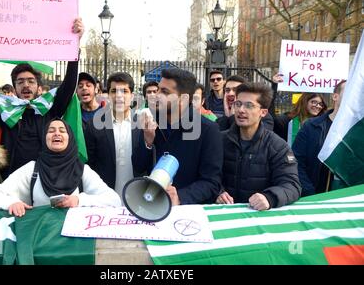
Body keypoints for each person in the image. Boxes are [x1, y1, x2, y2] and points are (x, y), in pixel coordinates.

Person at [0, 17, 84, 178]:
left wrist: (75, 45)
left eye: (31, 81)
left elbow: (70, 84)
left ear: (38, 87)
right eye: (20, 82)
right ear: (14, 87)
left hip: (47, 179)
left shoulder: (52, 109)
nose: (26, 85)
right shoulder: (4, 110)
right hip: (12, 181)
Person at [0, 118, 120, 216]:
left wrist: (79, 200)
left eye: (62, 130)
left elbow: (114, 200)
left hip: (74, 243)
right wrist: (12, 203)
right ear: (44, 138)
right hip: (41, 242)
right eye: (51, 130)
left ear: (69, 138)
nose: (57, 133)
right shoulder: (32, 169)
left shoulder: (82, 170)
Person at [133, 68, 223, 205]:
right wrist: (147, 142)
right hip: (152, 204)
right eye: (158, 90)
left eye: (165, 92)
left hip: (189, 213)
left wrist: (180, 197)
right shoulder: (151, 123)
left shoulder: (209, 130)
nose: (157, 95)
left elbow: (211, 183)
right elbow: (138, 167)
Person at [216, 83, 301, 210]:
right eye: (238, 104)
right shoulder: (219, 140)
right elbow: (206, 176)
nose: (241, 110)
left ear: (263, 112)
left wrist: (270, 198)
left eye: (249, 105)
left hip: (259, 215)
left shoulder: (278, 146)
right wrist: (217, 192)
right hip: (221, 213)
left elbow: (291, 185)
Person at [84, 72, 142, 198]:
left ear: (132, 96)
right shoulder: (93, 125)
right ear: (108, 95)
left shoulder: (143, 125)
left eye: (124, 91)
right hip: (105, 198)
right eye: (114, 91)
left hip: (137, 198)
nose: (119, 96)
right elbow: (89, 165)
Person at [292, 80, 347, 196]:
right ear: (335, 96)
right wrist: (309, 192)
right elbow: (296, 161)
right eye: (349, 91)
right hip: (316, 196)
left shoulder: (359, 131)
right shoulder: (311, 126)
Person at [270, 73, 327, 144]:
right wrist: (274, 86)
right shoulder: (288, 120)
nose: (318, 106)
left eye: (321, 104)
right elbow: (270, 119)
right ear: (305, 102)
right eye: (314, 102)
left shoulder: (322, 124)